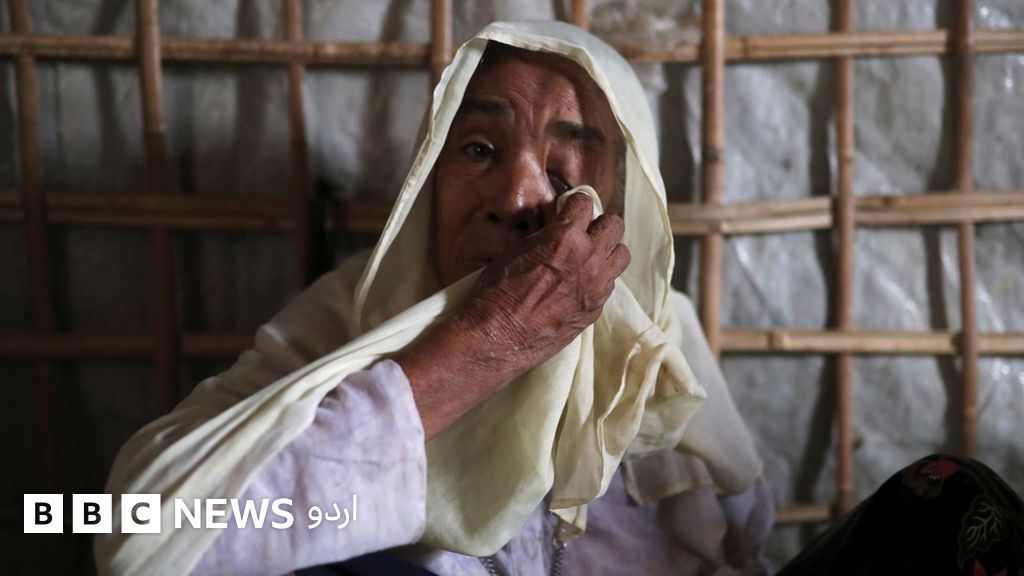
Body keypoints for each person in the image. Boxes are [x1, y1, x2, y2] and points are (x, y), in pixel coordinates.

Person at [95, 21, 771, 576]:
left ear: (625, 207)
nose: (516, 198)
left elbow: (748, 549)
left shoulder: (655, 344)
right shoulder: (353, 320)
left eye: (565, 168)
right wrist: (489, 341)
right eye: (478, 150)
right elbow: (139, 538)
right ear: (429, 180)